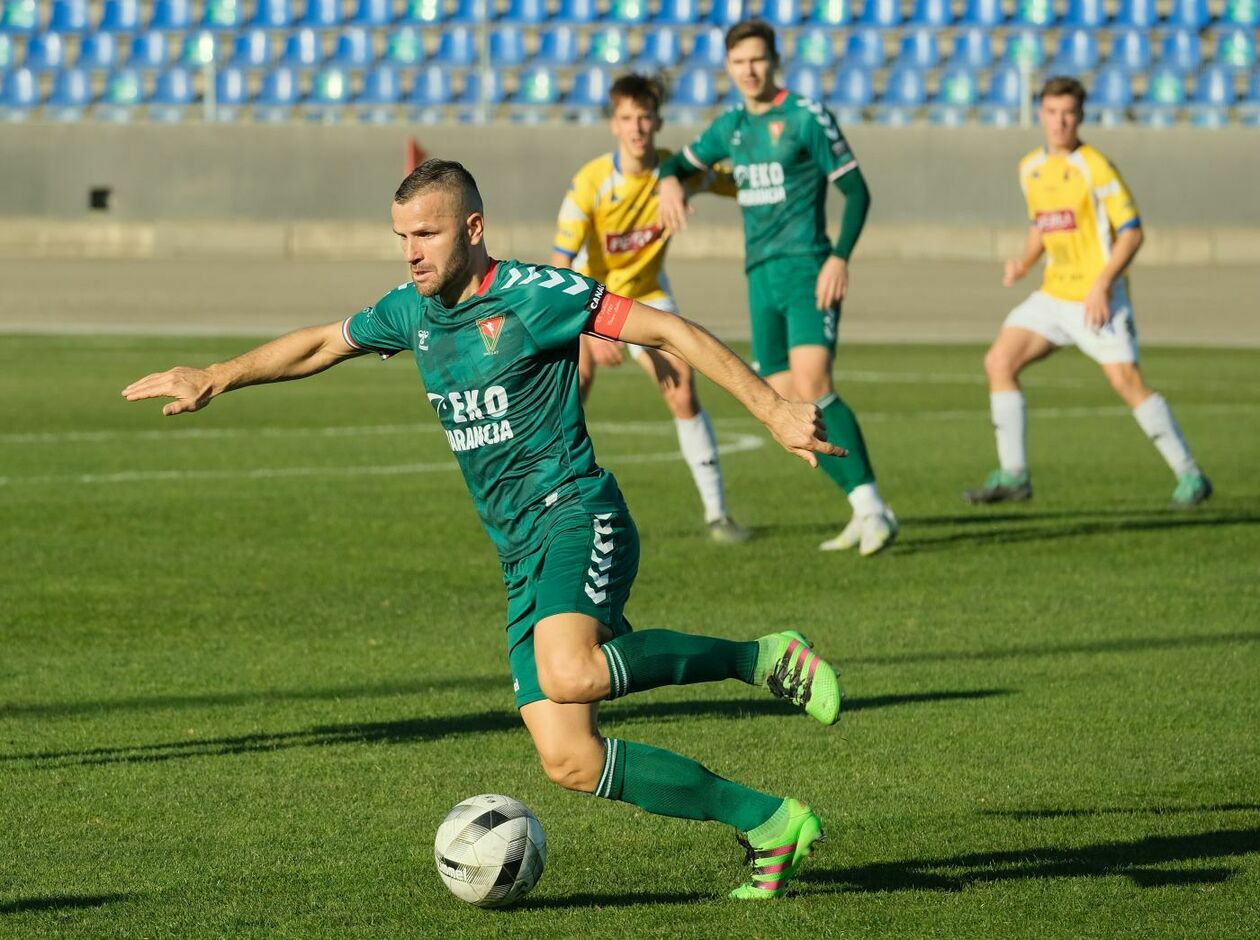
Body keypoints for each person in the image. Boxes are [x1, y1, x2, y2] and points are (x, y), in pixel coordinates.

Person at [122, 159, 846, 900]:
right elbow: (320, 343)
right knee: (569, 759)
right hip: (519, 556)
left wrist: (772, 407)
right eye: (401, 235)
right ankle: (768, 822)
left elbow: (668, 330)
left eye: (427, 233)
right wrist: (216, 374)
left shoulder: (537, 296)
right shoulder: (413, 312)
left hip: (576, 511)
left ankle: (760, 658)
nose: (411, 251)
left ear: (472, 228)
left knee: (571, 671)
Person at [657, 19, 897, 557]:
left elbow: (858, 194)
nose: (749, 70)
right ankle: (866, 506)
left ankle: (872, 509)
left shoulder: (806, 116)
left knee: (813, 381)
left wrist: (839, 258)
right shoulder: (730, 127)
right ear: (728, 68)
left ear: (775, 62)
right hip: (759, 277)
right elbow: (675, 160)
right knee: (787, 402)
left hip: (809, 267)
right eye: (739, 61)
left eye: (758, 59)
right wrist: (670, 179)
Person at [963, 76, 1212, 508]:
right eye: (1052, 112)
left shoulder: (1094, 166)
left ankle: (1190, 473)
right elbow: (1042, 224)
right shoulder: (1030, 168)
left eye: (1069, 113)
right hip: (1053, 295)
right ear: (1040, 113)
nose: (1060, 121)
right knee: (998, 361)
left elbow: (1132, 234)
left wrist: (1102, 285)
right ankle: (1015, 475)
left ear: (1080, 117)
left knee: (1125, 381)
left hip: (1098, 297)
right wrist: (1023, 263)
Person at [551, 73, 749, 544]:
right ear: (613, 125)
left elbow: (741, 182)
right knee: (570, 389)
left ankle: (717, 514)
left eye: (645, 117)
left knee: (682, 391)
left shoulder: (673, 171)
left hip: (648, 294)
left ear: (658, 121)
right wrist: (587, 329)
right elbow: (558, 267)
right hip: (588, 296)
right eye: (626, 118)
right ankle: (551, 507)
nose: (636, 127)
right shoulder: (590, 183)